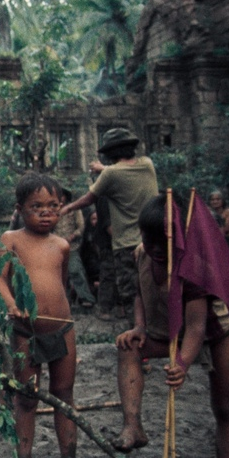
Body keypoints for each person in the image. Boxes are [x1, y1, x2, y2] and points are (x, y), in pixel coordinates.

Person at [114, 194, 229, 458]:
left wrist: (183, 364)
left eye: (165, 241)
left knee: (226, 406)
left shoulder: (195, 266)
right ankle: (133, 425)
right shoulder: (142, 254)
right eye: (149, 239)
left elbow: (198, 326)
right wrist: (140, 328)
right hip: (167, 332)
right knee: (128, 349)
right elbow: (139, 294)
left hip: (216, 334)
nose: (157, 248)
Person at [0, 172, 92, 458]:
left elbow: (61, 286)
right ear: (20, 208)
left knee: (65, 394)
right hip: (26, 331)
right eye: (37, 206)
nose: (46, 212)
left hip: (63, 329)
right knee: (26, 397)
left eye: (53, 205)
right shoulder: (11, 239)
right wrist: (10, 302)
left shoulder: (62, 245)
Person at [61, 128, 158, 322]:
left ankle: (137, 332)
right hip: (151, 241)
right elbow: (124, 171)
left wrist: (67, 208)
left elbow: (89, 199)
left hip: (126, 244)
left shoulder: (111, 174)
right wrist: (104, 169)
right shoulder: (147, 164)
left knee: (131, 293)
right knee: (153, 289)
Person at [55, 189, 96, 309]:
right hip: (55, 247)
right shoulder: (53, 210)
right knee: (60, 274)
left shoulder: (74, 210)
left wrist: (72, 236)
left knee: (75, 270)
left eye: (61, 196)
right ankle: (64, 301)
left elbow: (81, 227)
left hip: (71, 246)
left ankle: (87, 298)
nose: (60, 198)